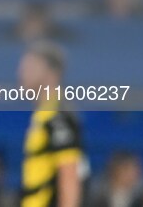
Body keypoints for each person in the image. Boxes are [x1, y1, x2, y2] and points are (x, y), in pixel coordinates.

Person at [18, 41, 89, 207]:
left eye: (30, 68)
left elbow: (69, 175)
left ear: (51, 72)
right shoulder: (42, 115)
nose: (21, 74)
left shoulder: (58, 116)